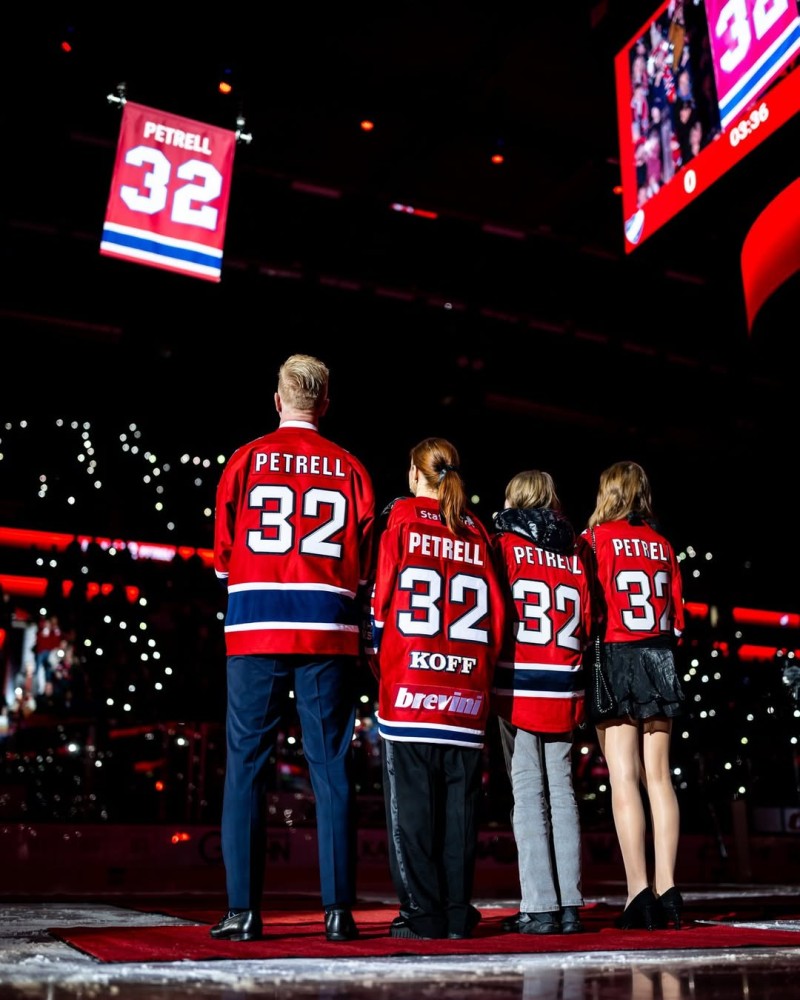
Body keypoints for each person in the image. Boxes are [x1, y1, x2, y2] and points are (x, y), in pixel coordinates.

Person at [211, 353, 376, 943]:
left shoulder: (245, 459)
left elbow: (225, 555)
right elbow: (361, 567)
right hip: (328, 626)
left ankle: (242, 912)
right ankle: (338, 913)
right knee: (331, 767)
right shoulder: (352, 467)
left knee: (246, 767)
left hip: (257, 623)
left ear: (278, 399)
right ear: (324, 404)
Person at [365, 437, 506, 940]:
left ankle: (422, 914)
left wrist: (383, 662)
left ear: (413, 474)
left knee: (413, 812)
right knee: (460, 811)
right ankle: (454, 911)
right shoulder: (478, 531)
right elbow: (496, 616)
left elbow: (381, 604)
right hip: (466, 690)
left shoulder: (400, 520)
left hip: (411, 687)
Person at [578, 460, 686, 931]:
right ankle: (669, 888)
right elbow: (678, 620)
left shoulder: (595, 539)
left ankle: (637, 892)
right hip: (660, 656)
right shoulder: (663, 545)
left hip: (617, 654)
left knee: (623, 776)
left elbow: (586, 609)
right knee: (659, 777)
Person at [491, 470, 592, 935]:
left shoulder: (505, 547)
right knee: (564, 791)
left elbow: (495, 611)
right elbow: (587, 619)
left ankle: (540, 905)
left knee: (528, 793)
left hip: (521, 681)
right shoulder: (574, 551)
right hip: (564, 682)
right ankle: (570, 901)